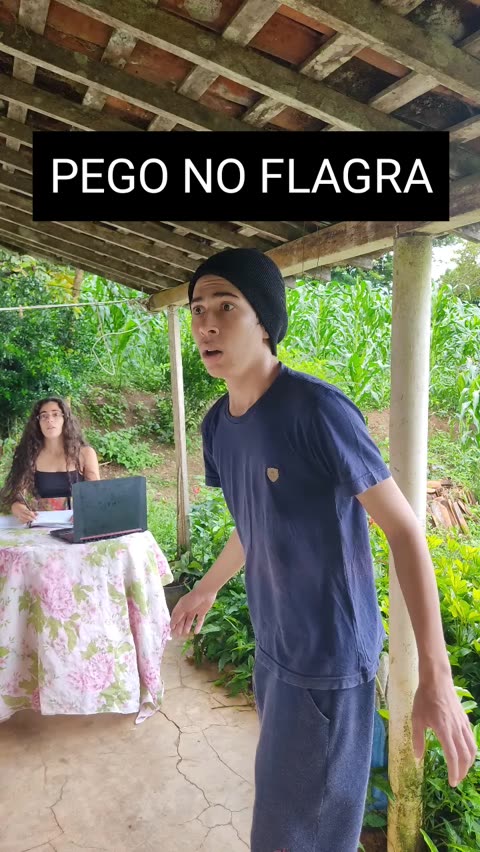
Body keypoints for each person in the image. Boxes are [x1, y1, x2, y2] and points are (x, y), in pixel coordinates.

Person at [170, 247, 477, 852]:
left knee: (294, 836)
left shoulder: (316, 410)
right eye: (199, 309)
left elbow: (405, 530)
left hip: (328, 661)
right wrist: (206, 587)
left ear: (265, 322)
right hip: (275, 648)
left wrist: (436, 677)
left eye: (226, 306)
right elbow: (255, 521)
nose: (206, 323)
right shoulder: (218, 426)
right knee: (296, 822)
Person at [1, 397, 100, 524]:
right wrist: (18, 507)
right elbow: (17, 495)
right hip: (41, 523)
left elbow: (96, 495)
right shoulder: (29, 454)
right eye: (44, 416)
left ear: (65, 419)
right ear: (38, 422)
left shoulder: (85, 454)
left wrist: (86, 511)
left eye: (55, 414)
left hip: (80, 523)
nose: (49, 420)